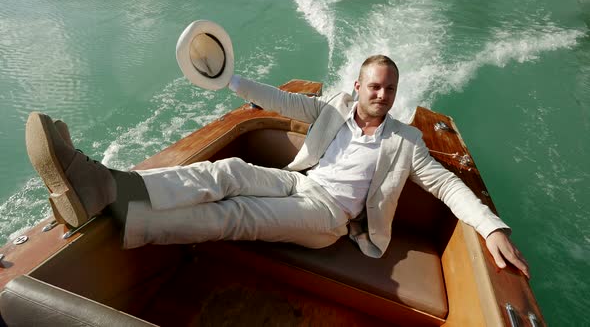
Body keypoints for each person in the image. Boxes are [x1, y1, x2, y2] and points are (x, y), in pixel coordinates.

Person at [25, 54, 529, 278]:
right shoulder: (334, 105)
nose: (383, 95)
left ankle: (127, 218)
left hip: (330, 216)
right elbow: (284, 104)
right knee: (228, 172)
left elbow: (445, 185)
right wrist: (231, 80)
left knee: (238, 213)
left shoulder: (405, 140)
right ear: (358, 86)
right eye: (375, 86)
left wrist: (492, 228)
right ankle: (108, 187)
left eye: (390, 89)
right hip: (298, 181)